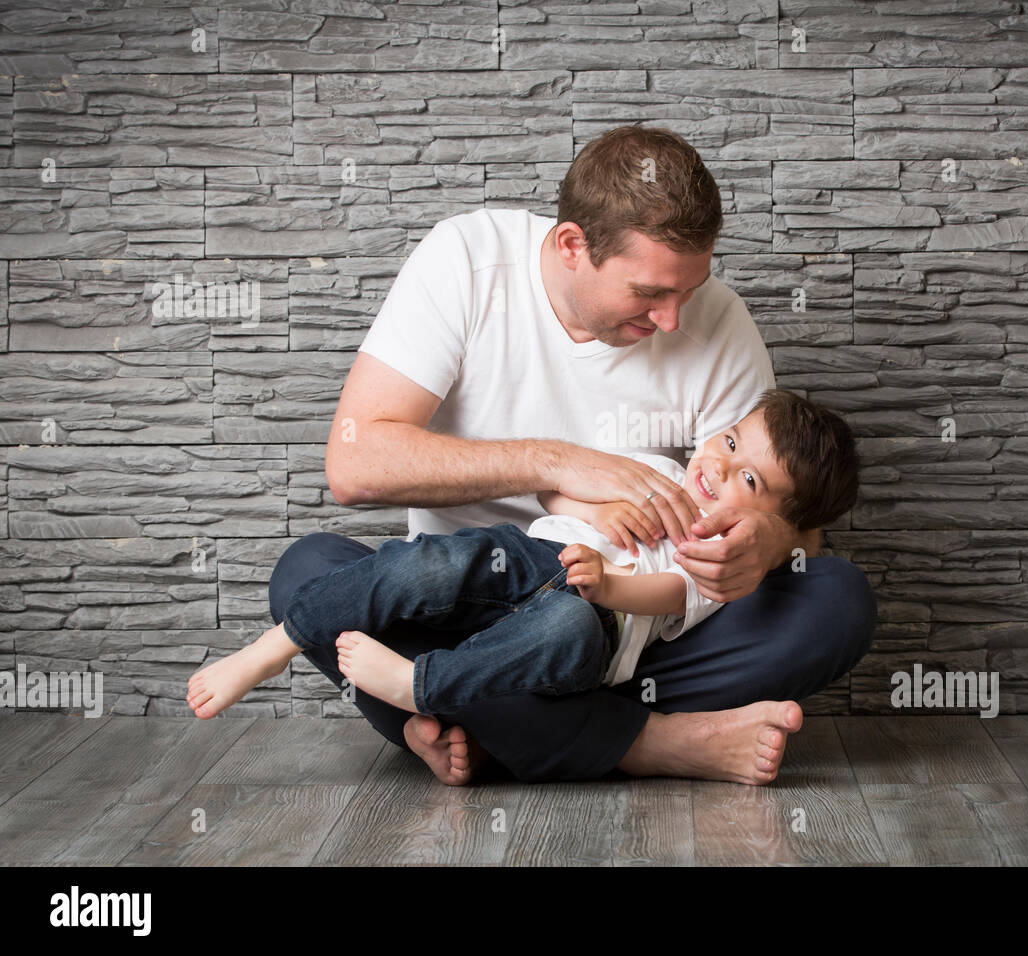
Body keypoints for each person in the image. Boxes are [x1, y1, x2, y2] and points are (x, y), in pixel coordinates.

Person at [261, 124, 878, 786]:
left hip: (626, 647)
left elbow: (794, 509)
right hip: (466, 617)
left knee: (836, 600)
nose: (673, 320)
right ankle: (650, 744)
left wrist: (763, 542)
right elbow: (356, 463)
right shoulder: (466, 263)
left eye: (688, 291)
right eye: (649, 294)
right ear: (572, 246)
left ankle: (492, 729)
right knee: (308, 572)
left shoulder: (719, 325)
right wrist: (556, 463)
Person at [186, 390, 859, 724]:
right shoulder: (657, 469)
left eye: (749, 481)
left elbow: (673, 599)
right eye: (732, 441)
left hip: (593, 626)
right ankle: (277, 643)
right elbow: (558, 492)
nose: (721, 464)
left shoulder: (725, 557)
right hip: (525, 559)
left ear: (778, 520)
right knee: (432, 564)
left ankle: (418, 689)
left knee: (557, 634)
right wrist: (597, 512)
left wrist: (609, 590)